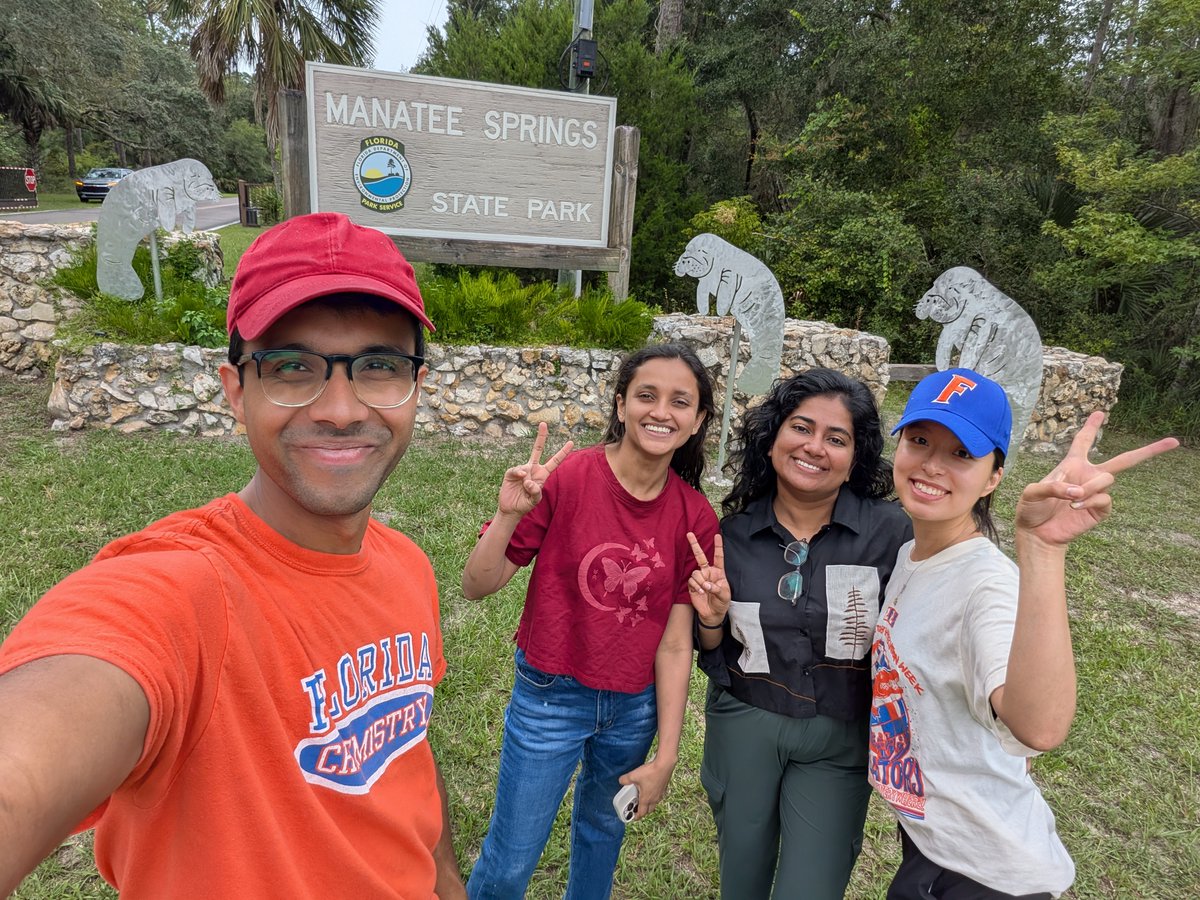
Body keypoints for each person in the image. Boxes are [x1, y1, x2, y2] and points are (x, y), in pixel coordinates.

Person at [0, 212, 467, 899]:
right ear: (234, 390)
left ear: (415, 388)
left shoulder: (407, 566)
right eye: (291, 367)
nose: (340, 408)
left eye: (378, 366)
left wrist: (448, 884)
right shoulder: (180, 592)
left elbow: (405, 757)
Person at [867, 367, 1178, 899]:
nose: (932, 465)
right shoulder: (910, 554)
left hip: (987, 874)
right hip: (932, 845)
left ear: (993, 478)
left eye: (962, 454)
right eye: (919, 440)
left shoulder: (985, 586)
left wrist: (1042, 549)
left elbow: (1040, 727)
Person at [461, 343, 720, 900]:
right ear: (621, 403)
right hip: (550, 696)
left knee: (601, 840)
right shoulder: (570, 478)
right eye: (646, 395)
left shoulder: (694, 515)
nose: (661, 412)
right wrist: (508, 515)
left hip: (633, 709)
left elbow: (676, 647)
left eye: (681, 402)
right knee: (510, 861)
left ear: (697, 422)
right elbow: (476, 585)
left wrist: (666, 756)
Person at [686, 369, 913, 900]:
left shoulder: (892, 534)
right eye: (801, 428)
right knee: (741, 879)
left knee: (811, 887)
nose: (815, 447)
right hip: (745, 722)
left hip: (840, 736)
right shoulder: (732, 535)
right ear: (772, 440)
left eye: (836, 438)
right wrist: (713, 619)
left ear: (856, 457)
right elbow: (713, 651)